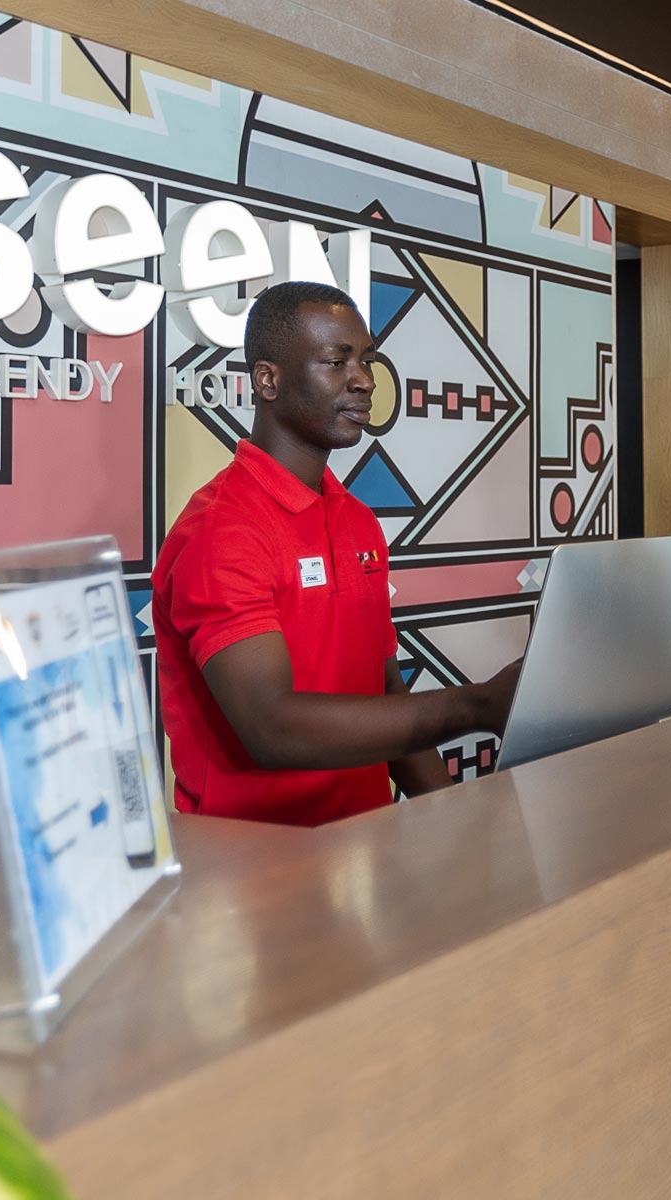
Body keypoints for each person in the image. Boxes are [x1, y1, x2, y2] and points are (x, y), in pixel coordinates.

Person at [151, 281, 519, 826]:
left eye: (366, 359)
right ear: (267, 379)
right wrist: (477, 706)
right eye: (336, 360)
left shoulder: (357, 520)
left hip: (362, 861)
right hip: (249, 873)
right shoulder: (221, 530)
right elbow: (271, 727)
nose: (365, 380)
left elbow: (386, 696)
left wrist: (458, 828)